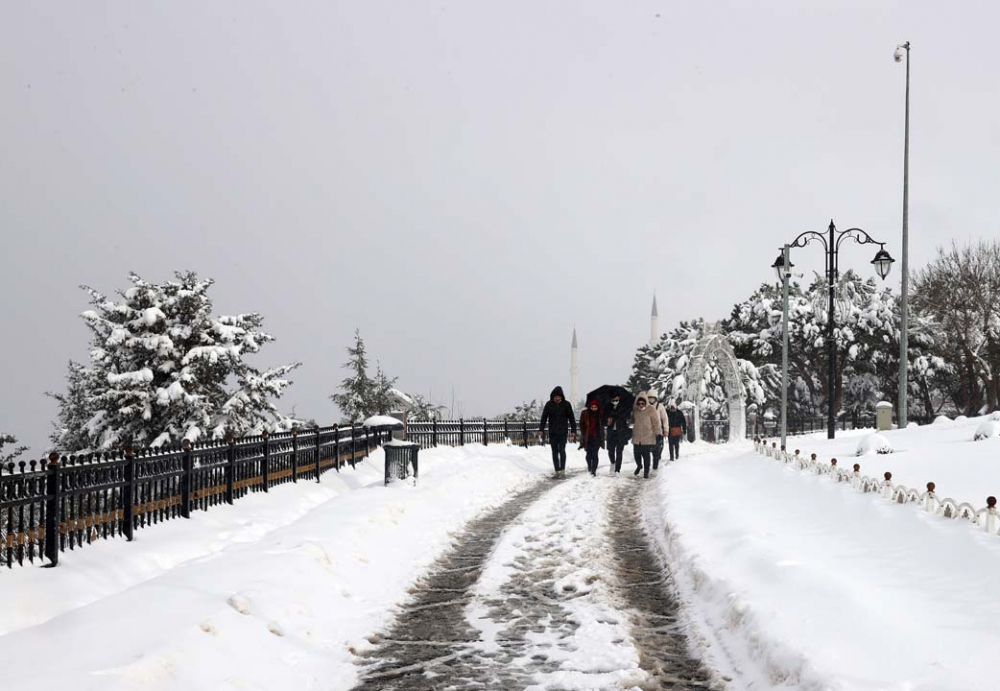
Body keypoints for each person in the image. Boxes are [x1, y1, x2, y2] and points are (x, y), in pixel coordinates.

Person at [539, 386, 576, 476]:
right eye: (555, 396)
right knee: (554, 451)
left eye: (559, 396)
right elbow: (544, 417)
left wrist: (573, 430)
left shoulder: (566, 404)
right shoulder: (549, 404)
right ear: (553, 396)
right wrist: (541, 429)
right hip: (552, 432)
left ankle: (562, 470)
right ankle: (557, 471)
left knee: (562, 450)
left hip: (563, 431)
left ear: (561, 396)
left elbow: (571, 418)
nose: (557, 398)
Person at [631, 392, 661, 479]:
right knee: (636, 455)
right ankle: (639, 466)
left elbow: (656, 423)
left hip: (648, 437)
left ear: (646, 403)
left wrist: (658, 434)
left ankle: (646, 472)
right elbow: (632, 421)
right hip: (637, 437)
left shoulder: (651, 410)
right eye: (639, 403)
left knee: (646, 456)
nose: (641, 405)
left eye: (643, 403)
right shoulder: (635, 410)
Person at [605, 392, 630, 475]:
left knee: (619, 451)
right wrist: (607, 421)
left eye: (616, 399)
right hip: (611, 432)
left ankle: (617, 470)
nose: (615, 401)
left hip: (621, 432)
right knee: (610, 450)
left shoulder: (623, 407)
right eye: (613, 400)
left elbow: (626, 417)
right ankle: (613, 462)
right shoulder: (607, 407)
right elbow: (603, 419)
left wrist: (616, 415)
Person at [578, 398, 604, 477]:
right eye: (592, 407)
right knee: (588, 455)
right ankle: (590, 466)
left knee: (595, 454)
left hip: (597, 437)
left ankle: (594, 470)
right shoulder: (585, 413)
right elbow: (581, 424)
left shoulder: (600, 414)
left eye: (595, 407)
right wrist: (583, 434)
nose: (593, 409)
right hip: (588, 437)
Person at [648, 392, 669, 473]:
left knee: (657, 450)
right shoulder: (645, 406)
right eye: (649, 397)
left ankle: (655, 467)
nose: (651, 399)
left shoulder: (660, 407)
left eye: (652, 397)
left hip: (658, 431)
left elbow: (665, 419)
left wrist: (666, 429)